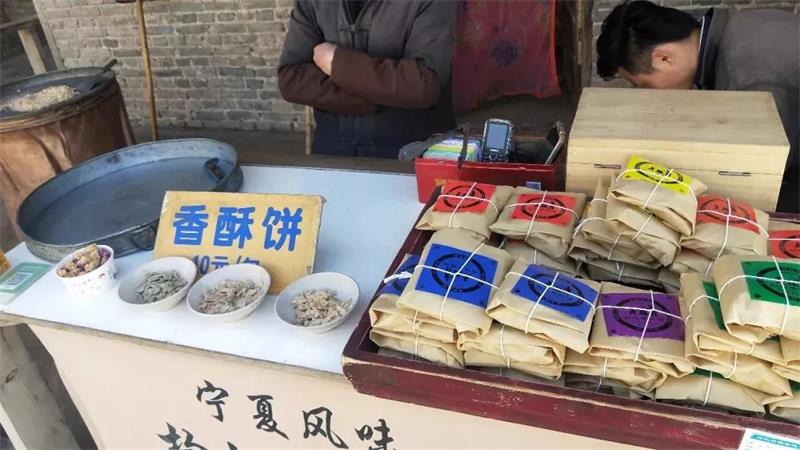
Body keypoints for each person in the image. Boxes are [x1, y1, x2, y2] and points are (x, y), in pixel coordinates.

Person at [596, 1, 800, 212]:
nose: (649, 94)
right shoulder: (733, 28)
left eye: (644, 85)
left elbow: (763, 172)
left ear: (664, 58)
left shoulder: (745, 76)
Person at [278, 0, 457, 158]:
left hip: (412, 156)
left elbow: (424, 83)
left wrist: (337, 63)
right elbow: (291, 79)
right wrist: (379, 92)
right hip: (332, 152)